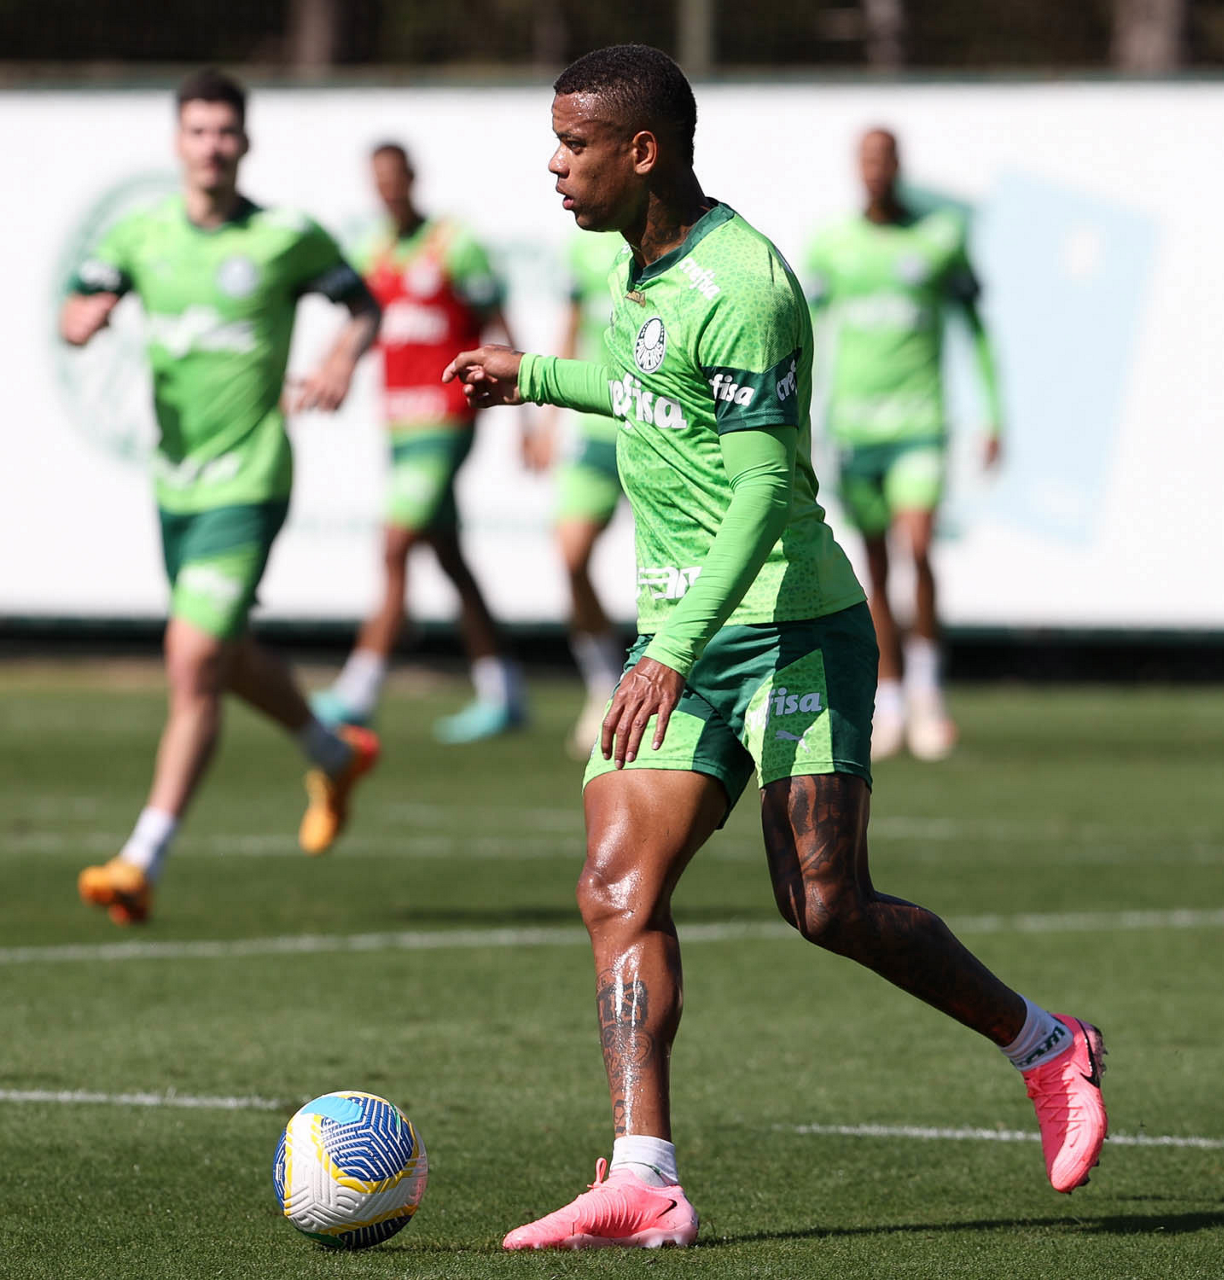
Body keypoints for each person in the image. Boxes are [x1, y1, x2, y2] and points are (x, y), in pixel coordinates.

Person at [444, 44, 1107, 1251]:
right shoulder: (642, 265)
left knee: (823, 904)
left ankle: (1045, 1044)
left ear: (642, 150)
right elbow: (654, 389)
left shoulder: (742, 282)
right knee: (613, 886)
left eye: (573, 145)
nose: (554, 167)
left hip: (790, 629)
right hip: (683, 638)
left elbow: (760, 487)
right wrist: (533, 375)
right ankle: (643, 1174)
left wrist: (669, 647)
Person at [63, 69, 382, 925]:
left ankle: (142, 859)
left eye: (225, 132)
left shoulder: (283, 237)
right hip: (175, 485)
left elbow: (363, 305)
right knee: (223, 653)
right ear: (179, 142)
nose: (212, 146)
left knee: (192, 657)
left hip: (251, 477)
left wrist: (340, 359)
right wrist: (83, 321)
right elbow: (78, 305)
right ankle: (333, 752)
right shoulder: (139, 235)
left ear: (245, 142)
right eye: (198, 131)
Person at [311, 143, 525, 744]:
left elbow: (496, 316)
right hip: (400, 428)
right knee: (449, 557)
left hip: (446, 420)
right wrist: (330, 367)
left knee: (395, 545)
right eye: (376, 181)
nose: (387, 190)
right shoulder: (373, 252)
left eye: (394, 178)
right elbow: (357, 322)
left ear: (412, 178)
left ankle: (358, 690)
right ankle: (503, 690)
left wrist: (527, 401)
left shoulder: (453, 243)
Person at [806, 128, 1003, 761]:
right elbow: (808, 331)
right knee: (875, 569)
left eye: (884, 158)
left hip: (920, 426)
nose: (875, 170)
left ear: (898, 165)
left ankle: (927, 690)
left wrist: (994, 413)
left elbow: (976, 328)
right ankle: (888, 698)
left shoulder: (940, 239)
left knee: (917, 548)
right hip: (855, 431)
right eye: (865, 159)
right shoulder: (832, 245)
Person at [523, 230, 628, 758]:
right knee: (571, 555)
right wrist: (546, 422)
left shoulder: (668, 234)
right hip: (596, 434)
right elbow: (570, 328)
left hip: (663, 433)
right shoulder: (585, 250)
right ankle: (604, 683)